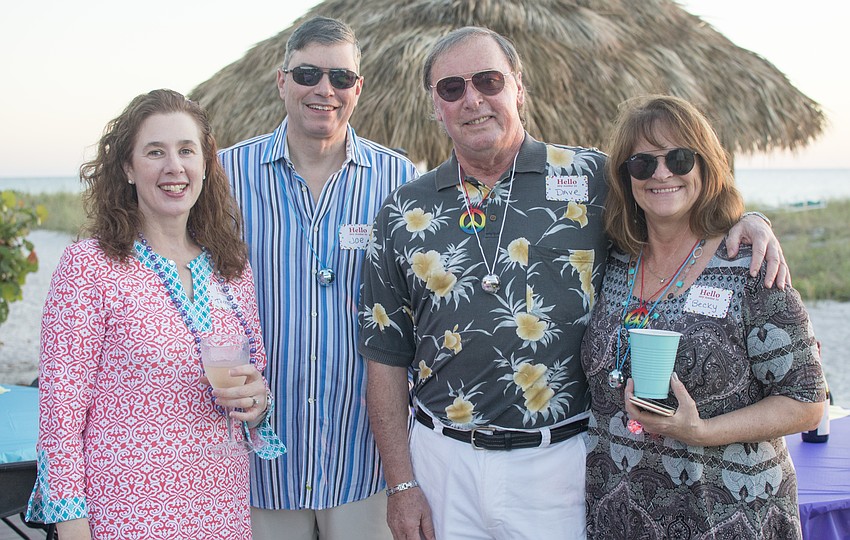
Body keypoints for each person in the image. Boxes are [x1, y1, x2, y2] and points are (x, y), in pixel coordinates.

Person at [358, 27, 787, 540]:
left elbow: (677, 205)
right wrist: (402, 485)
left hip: (559, 465)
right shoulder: (404, 211)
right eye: (452, 88)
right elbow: (385, 358)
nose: (472, 99)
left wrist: (747, 219)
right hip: (441, 461)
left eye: (489, 81)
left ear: (518, 88)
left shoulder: (593, 180)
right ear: (435, 104)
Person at [25, 89, 284, 540]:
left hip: (220, 511)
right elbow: (59, 420)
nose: (174, 167)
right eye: (155, 152)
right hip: (124, 515)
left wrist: (259, 404)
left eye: (187, 150)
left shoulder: (232, 268)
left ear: (205, 163)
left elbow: (254, 381)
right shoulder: (90, 265)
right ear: (127, 167)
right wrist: (72, 527)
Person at [580, 95, 827, 539]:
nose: (661, 173)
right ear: (626, 178)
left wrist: (700, 430)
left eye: (679, 157)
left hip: (726, 516)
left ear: (706, 166)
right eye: (642, 163)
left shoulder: (748, 264)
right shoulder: (612, 263)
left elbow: (808, 403)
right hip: (620, 515)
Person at [218, 16, 418, 540]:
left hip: (361, 460)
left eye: (340, 78)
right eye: (307, 73)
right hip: (254, 459)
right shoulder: (223, 177)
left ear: (358, 89)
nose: (323, 89)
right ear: (282, 80)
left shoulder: (400, 182)